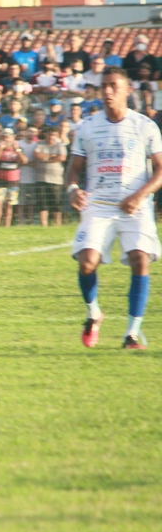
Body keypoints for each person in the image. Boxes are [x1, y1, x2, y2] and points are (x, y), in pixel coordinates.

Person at [67, 67, 162, 350]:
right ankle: (93, 312)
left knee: (140, 259)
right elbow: (73, 171)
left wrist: (139, 194)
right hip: (99, 206)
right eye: (104, 86)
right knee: (86, 263)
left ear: (127, 90)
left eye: (113, 86)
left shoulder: (145, 125)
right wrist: (73, 190)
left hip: (136, 206)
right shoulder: (87, 126)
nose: (107, 91)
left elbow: (160, 170)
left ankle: (132, 334)